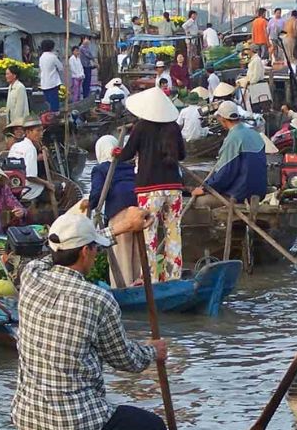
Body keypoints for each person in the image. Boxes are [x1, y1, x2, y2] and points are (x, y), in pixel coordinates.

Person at [12, 204, 168, 430]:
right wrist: (152, 351)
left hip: (27, 415)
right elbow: (126, 360)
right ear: (86, 252)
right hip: (76, 420)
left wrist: (121, 227)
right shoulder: (99, 299)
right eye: (94, 249)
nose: (96, 253)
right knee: (154, 428)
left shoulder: (31, 274)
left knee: (56, 404)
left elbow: (54, 253)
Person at [116, 87, 186, 282]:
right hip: (174, 188)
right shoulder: (173, 128)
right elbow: (182, 155)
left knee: (149, 234)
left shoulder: (141, 127)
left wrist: (116, 152)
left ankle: (151, 279)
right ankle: (174, 277)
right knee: (174, 232)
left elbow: (127, 154)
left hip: (149, 189)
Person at [190, 101, 267, 205]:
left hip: (240, 194)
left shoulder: (233, 138)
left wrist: (205, 189)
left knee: (199, 202)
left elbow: (225, 174)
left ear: (222, 119)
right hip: (260, 192)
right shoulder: (256, 134)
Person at [89, 136, 139, 288]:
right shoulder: (129, 167)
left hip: (119, 211)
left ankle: (123, 287)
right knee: (137, 251)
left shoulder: (100, 169)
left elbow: (97, 194)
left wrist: (90, 204)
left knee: (121, 252)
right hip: (139, 209)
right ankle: (140, 283)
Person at [9, 116, 50, 202]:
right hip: (28, 190)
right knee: (59, 186)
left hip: (15, 187)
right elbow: (30, 176)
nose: (41, 134)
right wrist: (46, 183)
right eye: (38, 131)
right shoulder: (31, 148)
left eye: (42, 130)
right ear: (28, 132)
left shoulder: (15, 146)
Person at [38, 39, 63, 112]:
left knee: (48, 101)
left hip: (44, 82)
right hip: (52, 82)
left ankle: (49, 113)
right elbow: (61, 67)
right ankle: (55, 114)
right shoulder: (53, 57)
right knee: (54, 101)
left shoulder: (41, 57)